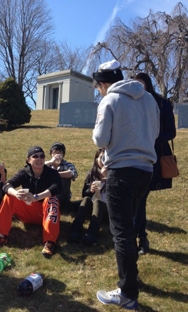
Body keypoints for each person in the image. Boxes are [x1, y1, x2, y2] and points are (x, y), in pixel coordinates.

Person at [92, 60, 159, 309]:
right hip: (146, 170)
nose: (99, 91)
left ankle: (127, 293)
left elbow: (100, 138)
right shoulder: (149, 99)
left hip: (122, 171)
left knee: (120, 232)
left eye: (98, 86)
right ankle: (131, 277)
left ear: (103, 83)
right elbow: (154, 133)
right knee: (129, 227)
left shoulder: (109, 100)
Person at [0, 146, 62, 257]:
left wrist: (37, 197)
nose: (39, 159)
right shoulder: (24, 172)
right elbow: (7, 185)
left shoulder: (51, 173)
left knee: (52, 199)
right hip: (27, 211)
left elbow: (57, 187)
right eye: (35, 156)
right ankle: (0, 236)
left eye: (42, 156)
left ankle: (50, 242)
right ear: (28, 160)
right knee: (9, 196)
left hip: (45, 214)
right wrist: (16, 193)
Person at [132, 72, 176, 255]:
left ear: (147, 84)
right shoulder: (130, 103)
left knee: (140, 199)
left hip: (154, 156)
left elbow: (171, 132)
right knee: (136, 199)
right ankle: (136, 237)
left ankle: (141, 239)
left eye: (140, 83)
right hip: (133, 156)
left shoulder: (163, 103)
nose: (137, 87)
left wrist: (151, 138)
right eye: (134, 84)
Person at [68, 148, 108, 246]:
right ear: (96, 159)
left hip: (108, 211)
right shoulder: (92, 174)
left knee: (98, 202)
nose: (103, 161)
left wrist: (108, 177)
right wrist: (90, 190)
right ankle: (75, 231)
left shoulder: (114, 176)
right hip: (93, 210)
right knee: (86, 199)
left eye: (106, 158)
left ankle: (92, 235)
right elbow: (84, 194)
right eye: (101, 158)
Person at [45, 142, 78, 212]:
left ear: (63, 155)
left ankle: (62, 204)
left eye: (59, 153)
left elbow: (74, 173)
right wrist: (51, 162)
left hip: (63, 196)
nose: (57, 155)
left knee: (63, 177)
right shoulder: (47, 164)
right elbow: (37, 170)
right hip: (48, 196)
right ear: (51, 154)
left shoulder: (67, 165)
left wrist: (55, 174)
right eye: (54, 153)